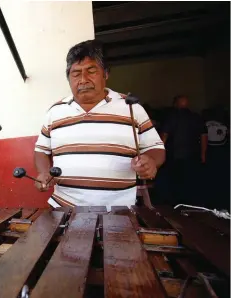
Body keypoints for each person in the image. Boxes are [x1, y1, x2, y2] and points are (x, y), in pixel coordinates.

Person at [33, 40, 165, 209]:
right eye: (76, 74)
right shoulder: (55, 111)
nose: (83, 80)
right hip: (64, 207)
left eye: (91, 71)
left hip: (119, 211)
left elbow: (156, 148)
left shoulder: (131, 107)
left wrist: (151, 161)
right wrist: (44, 172)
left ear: (106, 74)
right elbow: (41, 151)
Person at [159, 95, 208, 206]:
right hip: (192, 155)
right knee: (190, 182)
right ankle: (189, 203)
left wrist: (159, 154)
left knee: (174, 182)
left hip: (174, 155)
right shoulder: (196, 117)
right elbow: (204, 136)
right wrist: (203, 154)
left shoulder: (171, 117)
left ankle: (176, 205)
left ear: (175, 104)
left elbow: (164, 137)